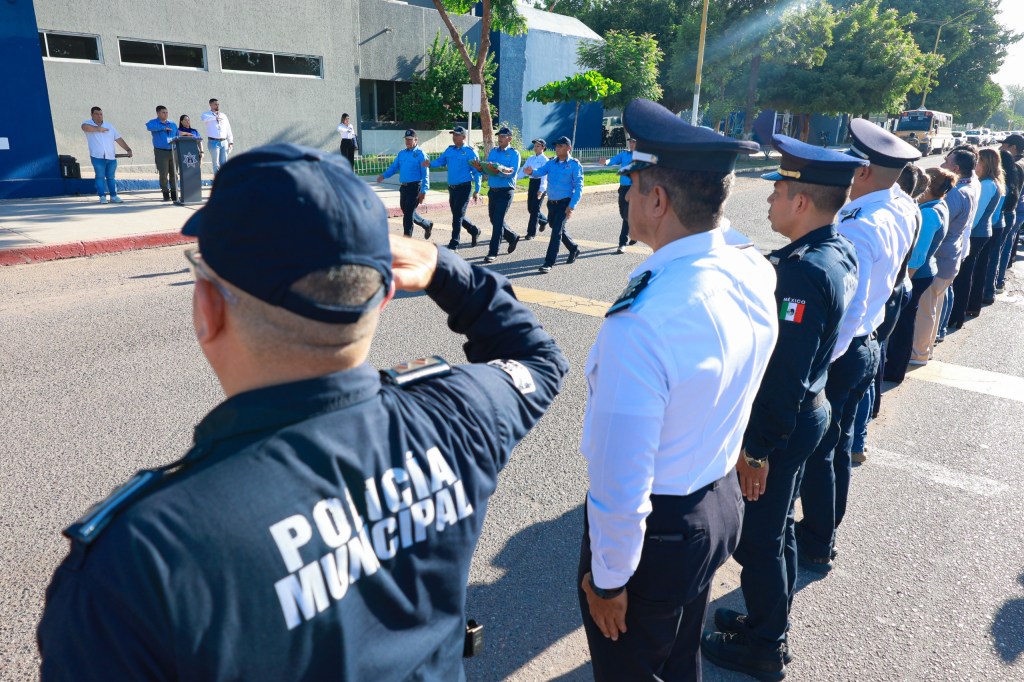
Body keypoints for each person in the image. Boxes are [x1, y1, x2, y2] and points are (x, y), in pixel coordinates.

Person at [36, 144, 568, 681]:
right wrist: (446, 271)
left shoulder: (138, 563)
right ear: (382, 298)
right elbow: (538, 359)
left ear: (207, 307)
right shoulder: (457, 413)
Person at [576, 98, 777, 682]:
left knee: (629, 669)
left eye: (633, 185)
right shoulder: (750, 265)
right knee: (681, 653)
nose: (628, 197)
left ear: (657, 200)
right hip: (716, 503)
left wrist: (611, 580)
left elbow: (622, 478)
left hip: (657, 535)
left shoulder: (643, 321)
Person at [701, 134, 863, 681]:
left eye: (777, 191)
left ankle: (766, 646)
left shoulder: (803, 272)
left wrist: (756, 449)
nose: (768, 201)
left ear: (800, 201)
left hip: (784, 426)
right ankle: (768, 622)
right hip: (807, 415)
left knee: (758, 540)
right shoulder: (831, 252)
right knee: (779, 532)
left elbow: (784, 376)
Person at [796, 119, 920, 572]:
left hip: (845, 349)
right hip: (870, 342)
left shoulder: (859, 224)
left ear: (863, 170)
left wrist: (817, 368)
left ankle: (816, 540)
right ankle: (827, 527)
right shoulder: (903, 207)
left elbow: (846, 306)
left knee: (819, 453)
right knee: (839, 443)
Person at [883, 168, 955, 384]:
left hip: (917, 274)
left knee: (903, 324)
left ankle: (894, 370)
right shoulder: (938, 206)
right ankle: (896, 365)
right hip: (924, 272)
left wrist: (905, 282)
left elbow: (916, 257)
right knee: (906, 322)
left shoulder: (929, 213)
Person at [949, 147, 1003, 326]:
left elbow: (975, 215)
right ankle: (966, 309)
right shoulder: (989, 182)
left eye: (979, 162)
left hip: (977, 233)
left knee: (965, 275)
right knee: (972, 273)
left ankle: (958, 313)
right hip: (982, 232)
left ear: (986, 164)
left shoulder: (987, 184)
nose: (976, 165)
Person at [525, 136, 584, 274]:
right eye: (556, 146)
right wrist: (532, 172)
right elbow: (540, 172)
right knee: (555, 226)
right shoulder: (551, 163)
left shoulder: (574, 165)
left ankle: (549, 262)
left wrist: (572, 206)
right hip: (551, 203)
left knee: (555, 232)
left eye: (560, 146)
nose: (557, 149)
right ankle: (573, 248)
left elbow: (579, 187)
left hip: (565, 203)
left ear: (568, 148)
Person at [426, 126, 482, 250]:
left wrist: (477, 190)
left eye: (457, 135)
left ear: (464, 137)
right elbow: (440, 161)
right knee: (457, 214)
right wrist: (429, 164)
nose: (454, 137)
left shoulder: (470, 152)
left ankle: (454, 243)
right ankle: (474, 230)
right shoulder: (450, 150)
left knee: (457, 216)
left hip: (464, 187)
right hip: (452, 188)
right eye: (453, 135)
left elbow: (477, 172)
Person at [376, 129, 433, 239]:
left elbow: (425, 174)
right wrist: (384, 175)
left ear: (416, 140)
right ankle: (427, 224)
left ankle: (407, 241)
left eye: (410, 139)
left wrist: (424, 191)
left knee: (407, 216)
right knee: (406, 211)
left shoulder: (421, 154)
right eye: (406, 139)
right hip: (404, 188)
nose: (407, 141)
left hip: (415, 188)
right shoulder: (402, 153)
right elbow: (394, 167)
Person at [987, 146, 1023, 302]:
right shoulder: (1015, 174)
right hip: (1012, 214)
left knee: (994, 254)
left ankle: (990, 287)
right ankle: (998, 282)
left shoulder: (1001, 183)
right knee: (1003, 249)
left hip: (1002, 218)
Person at [482, 127, 522, 263]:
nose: (499, 138)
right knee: (493, 219)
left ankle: (493, 252)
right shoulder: (493, 151)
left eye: (503, 136)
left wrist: (498, 170)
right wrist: (481, 169)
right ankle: (512, 237)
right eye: (499, 136)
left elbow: (512, 172)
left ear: (509, 138)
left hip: (506, 191)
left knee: (497, 222)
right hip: (493, 190)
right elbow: (488, 168)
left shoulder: (514, 154)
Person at [80, 106, 132, 204]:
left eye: (101, 114)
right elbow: (84, 127)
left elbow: (118, 139)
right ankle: (102, 196)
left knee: (111, 177)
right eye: (96, 114)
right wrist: (98, 129)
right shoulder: (88, 124)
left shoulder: (109, 126)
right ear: (91, 114)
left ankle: (113, 196)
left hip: (111, 156)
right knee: (100, 176)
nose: (99, 116)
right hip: (97, 156)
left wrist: (128, 149)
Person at [995, 134, 1024, 293]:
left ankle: (998, 281)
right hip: (1019, 210)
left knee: (1002, 247)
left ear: (1013, 147)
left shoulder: (1015, 165)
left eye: (1004, 145)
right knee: (1007, 244)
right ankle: (999, 280)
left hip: (1013, 209)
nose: (1001, 148)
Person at [601, 137, 639, 253]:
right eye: (630, 142)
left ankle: (622, 243)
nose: (631, 144)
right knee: (623, 214)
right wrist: (606, 162)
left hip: (635, 189)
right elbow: (613, 160)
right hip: (623, 188)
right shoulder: (624, 154)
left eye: (634, 142)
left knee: (627, 215)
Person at [517, 139, 550, 240]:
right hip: (532, 183)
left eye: (538, 146)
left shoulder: (545, 160)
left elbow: (545, 177)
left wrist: (541, 189)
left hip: (540, 184)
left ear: (543, 148)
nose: (535, 148)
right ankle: (544, 220)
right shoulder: (530, 159)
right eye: (535, 146)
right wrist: (514, 179)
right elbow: (524, 170)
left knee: (535, 210)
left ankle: (531, 233)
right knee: (530, 208)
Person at [146, 105, 179, 202]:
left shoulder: (172, 124)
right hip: (161, 151)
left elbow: (177, 135)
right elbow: (149, 127)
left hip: (173, 150)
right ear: (158, 113)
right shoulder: (153, 123)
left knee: (174, 173)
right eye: (163, 112)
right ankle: (165, 193)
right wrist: (163, 128)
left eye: (167, 112)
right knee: (163, 173)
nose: (166, 114)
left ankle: (174, 193)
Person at [201, 98, 234, 174]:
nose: (217, 105)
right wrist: (215, 117)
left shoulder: (223, 115)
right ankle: (217, 183)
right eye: (215, 104)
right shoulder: (206, 114)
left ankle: (224, 181)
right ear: (210, 105)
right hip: (213, 142)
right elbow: (203, 119)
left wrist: (231, 142)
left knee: (224, 163)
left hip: (224, 142)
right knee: (216, 163)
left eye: (218, 104)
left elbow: (228, 128)